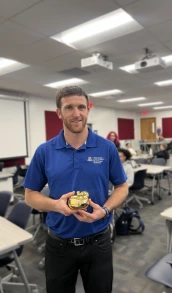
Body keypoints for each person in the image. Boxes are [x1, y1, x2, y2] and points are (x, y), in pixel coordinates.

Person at [23, 86, 128, 293]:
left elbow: (122, 187)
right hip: (58, 244)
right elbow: (29, 195)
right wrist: (56, 206)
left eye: (81, 107)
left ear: (88, 110)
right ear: (59, 113)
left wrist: (105, 210)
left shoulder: (106, 148)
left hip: (99, 242)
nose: (76, 113)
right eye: (69, 107)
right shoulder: (45, 151)